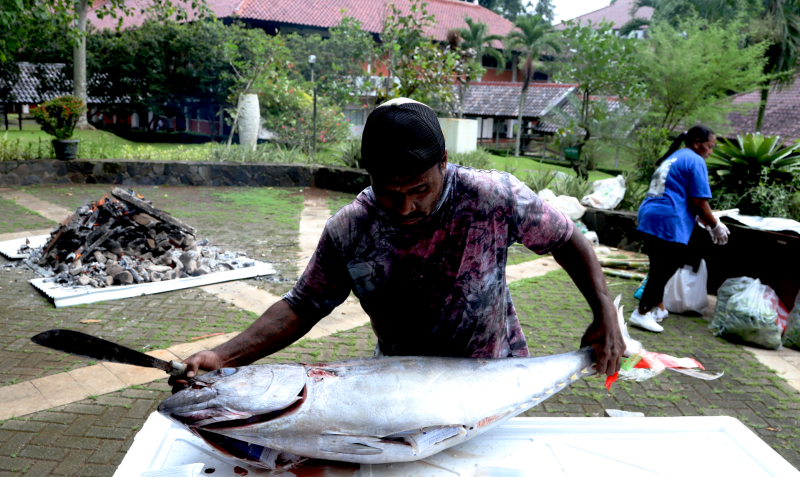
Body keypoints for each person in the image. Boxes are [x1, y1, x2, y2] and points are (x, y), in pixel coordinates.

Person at [170, 98, 624, 393]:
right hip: (399, 383)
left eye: (419, 190)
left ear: (443, 162)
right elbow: (302, 306)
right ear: (367, 173)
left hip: (493, 376)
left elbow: (567, 239)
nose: (405, 207)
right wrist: (222, 355)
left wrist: (603, 309)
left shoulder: (493, 196)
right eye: (389, 191)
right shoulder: (350, 229)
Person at [630, 125, 729, 333]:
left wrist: (705, 220)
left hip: (650, 214)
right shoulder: (696, 160)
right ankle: (641, 313)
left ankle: (659, 309)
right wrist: (716, 225)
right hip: (669, 219)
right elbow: (699, 201)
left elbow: (685, 197)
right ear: (697, 143)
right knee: (665, 269)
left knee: (659, 266)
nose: (711, 152)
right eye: (709, 147)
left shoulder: (675, 157)